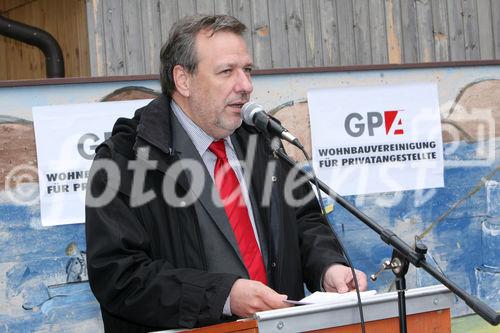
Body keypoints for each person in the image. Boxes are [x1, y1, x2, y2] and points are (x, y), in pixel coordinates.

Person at [85, 14, 367, 332]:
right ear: (183, 80)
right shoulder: (124, 158)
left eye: (247, 70)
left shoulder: (262, 139)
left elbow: (303, 219)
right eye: (227, 72)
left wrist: (327, 266)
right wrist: (224, 296)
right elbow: (119, 276)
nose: (245, 86)